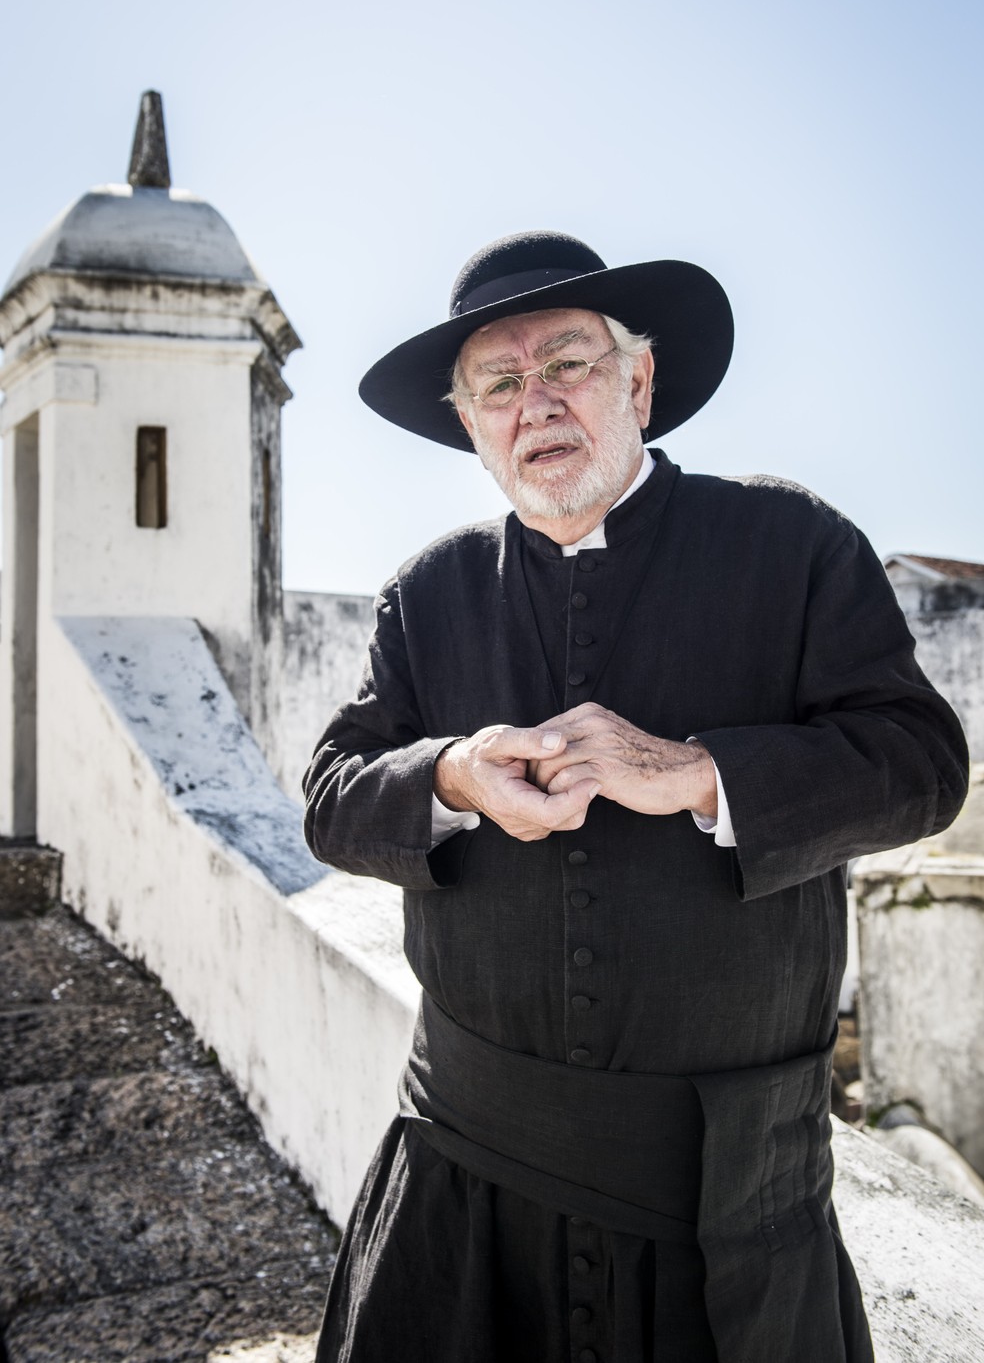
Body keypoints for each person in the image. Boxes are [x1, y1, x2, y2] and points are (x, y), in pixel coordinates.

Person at [303, 230, 968, 1363]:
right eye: (500, 384)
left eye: (568, 362)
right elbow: (331, 794)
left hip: (731, 1207)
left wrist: (696, 770)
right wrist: (454, 773)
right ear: (470, 424)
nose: (537, 402)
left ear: (641, 381)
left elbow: (921, 762)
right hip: (468, 1191)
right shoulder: (427, 595)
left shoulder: (791, 544)